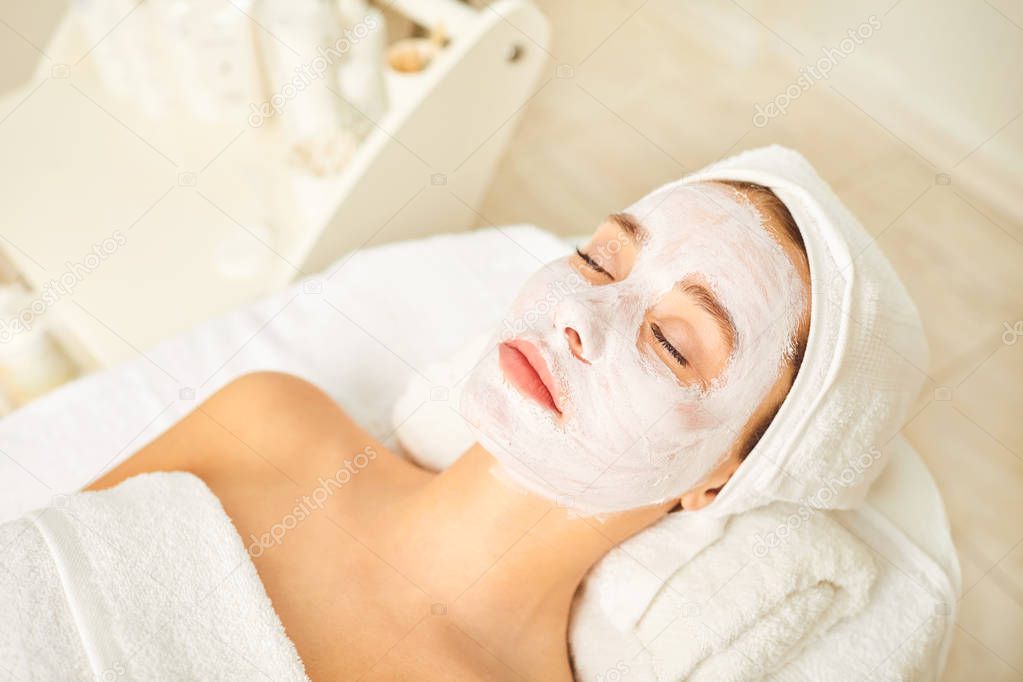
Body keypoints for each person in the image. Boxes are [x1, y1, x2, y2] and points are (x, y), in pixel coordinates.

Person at [85, 178, 812, 681]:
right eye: (597, 259)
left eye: (673, 344)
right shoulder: (264, 424)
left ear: (721, 477)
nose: (579, 314)